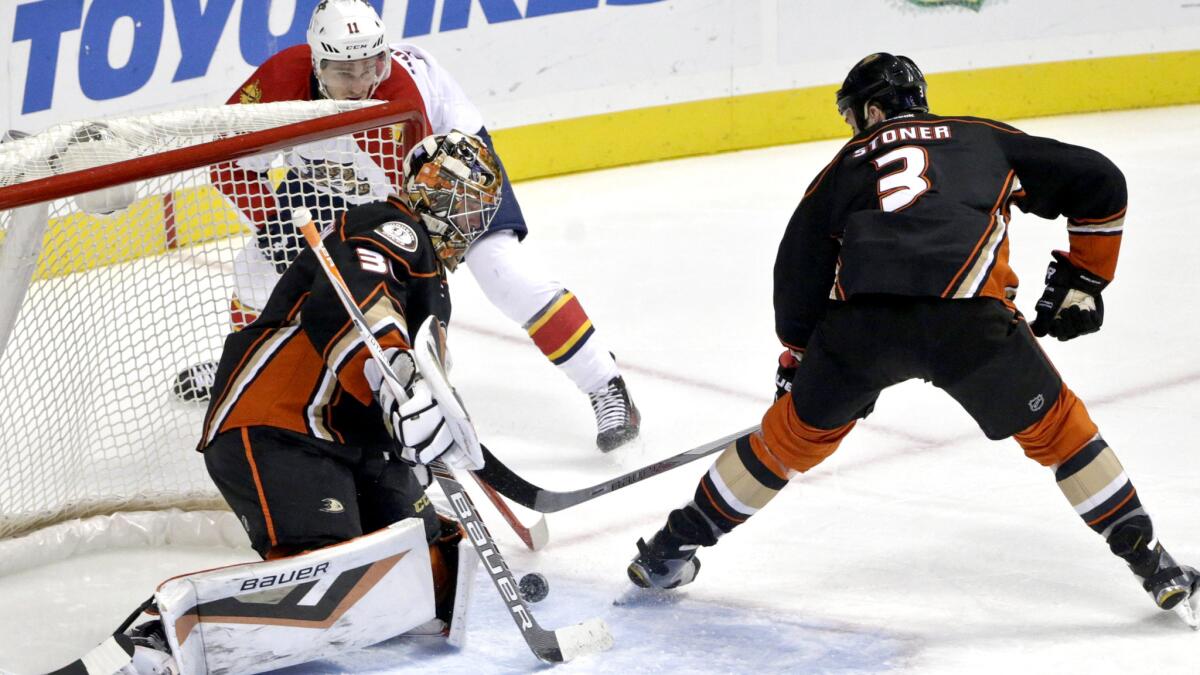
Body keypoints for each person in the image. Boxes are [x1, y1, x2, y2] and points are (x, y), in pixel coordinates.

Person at [626, 53, 1199, 627]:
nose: (854, 129)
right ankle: (1155, 566)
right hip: (969, 319)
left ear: (872, 110)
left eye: (854, 116)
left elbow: (797, 271)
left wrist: (801, 357)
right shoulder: (984, 138)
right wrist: (1087, 277)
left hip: (863, 328)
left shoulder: (846, 164)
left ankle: (667, 552)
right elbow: (1101, 181)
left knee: (786, 442)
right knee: (1059, 432)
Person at [114, 131, 500, 674]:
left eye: (479, 211)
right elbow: (347, 304)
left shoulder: (433, 279)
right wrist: (398, 382)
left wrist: (427, 425)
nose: (471, 222)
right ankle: (153, 643)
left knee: (433, 567)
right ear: (429, 193)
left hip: (352, 443)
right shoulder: (389, 226)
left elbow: (412, 383)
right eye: (464, 204)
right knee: (327, 577)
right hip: (279, 424)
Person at [177, 0, 639, 452]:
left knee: (502, 272)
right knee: (257, 271)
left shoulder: (397, 103)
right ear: (317, 64)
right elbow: (228, 165)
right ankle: (242, 367)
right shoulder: (280, 80)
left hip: (441, 169)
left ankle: (605, 382)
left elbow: (410, 228)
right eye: (344, 71)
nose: (360, 85)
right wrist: (281, 234)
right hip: (328, 174)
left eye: (370, 65)